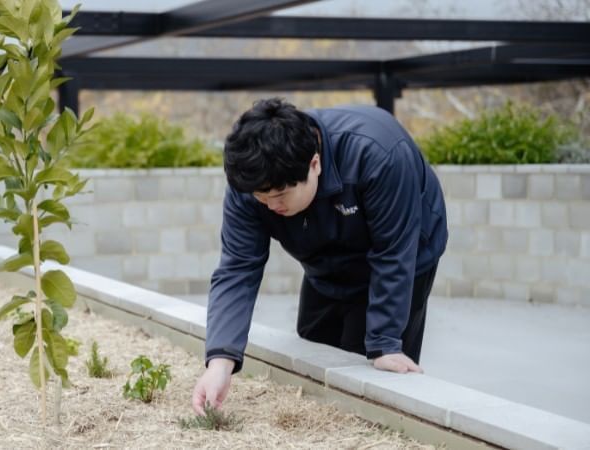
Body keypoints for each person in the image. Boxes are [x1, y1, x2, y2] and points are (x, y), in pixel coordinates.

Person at [191, 98, 448, 415]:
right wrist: (220, 362)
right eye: (262, 198)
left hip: (404, 253)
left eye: (279, 196)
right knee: (315, 351)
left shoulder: (378, 153)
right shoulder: (251, 183)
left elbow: (392, 252)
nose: (271, 207)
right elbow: (237, 269)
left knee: (368, 368)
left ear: (315, 164)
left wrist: (384, 343)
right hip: (323, 258)